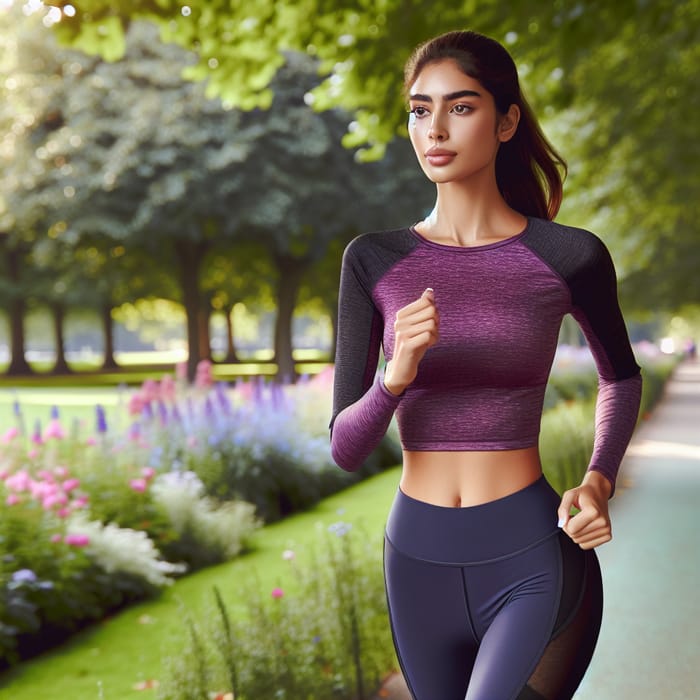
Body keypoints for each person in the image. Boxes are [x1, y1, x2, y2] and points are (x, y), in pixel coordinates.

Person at [329, 30, 642, 700]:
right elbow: (344, 448)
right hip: (415, 560)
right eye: (419, 109)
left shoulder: (569, 256)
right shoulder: (373, 261)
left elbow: (621, 375)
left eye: (460, 107)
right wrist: (397, 375)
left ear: (506, 122)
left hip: (531, 554)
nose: (434, 129)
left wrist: (597, 481)